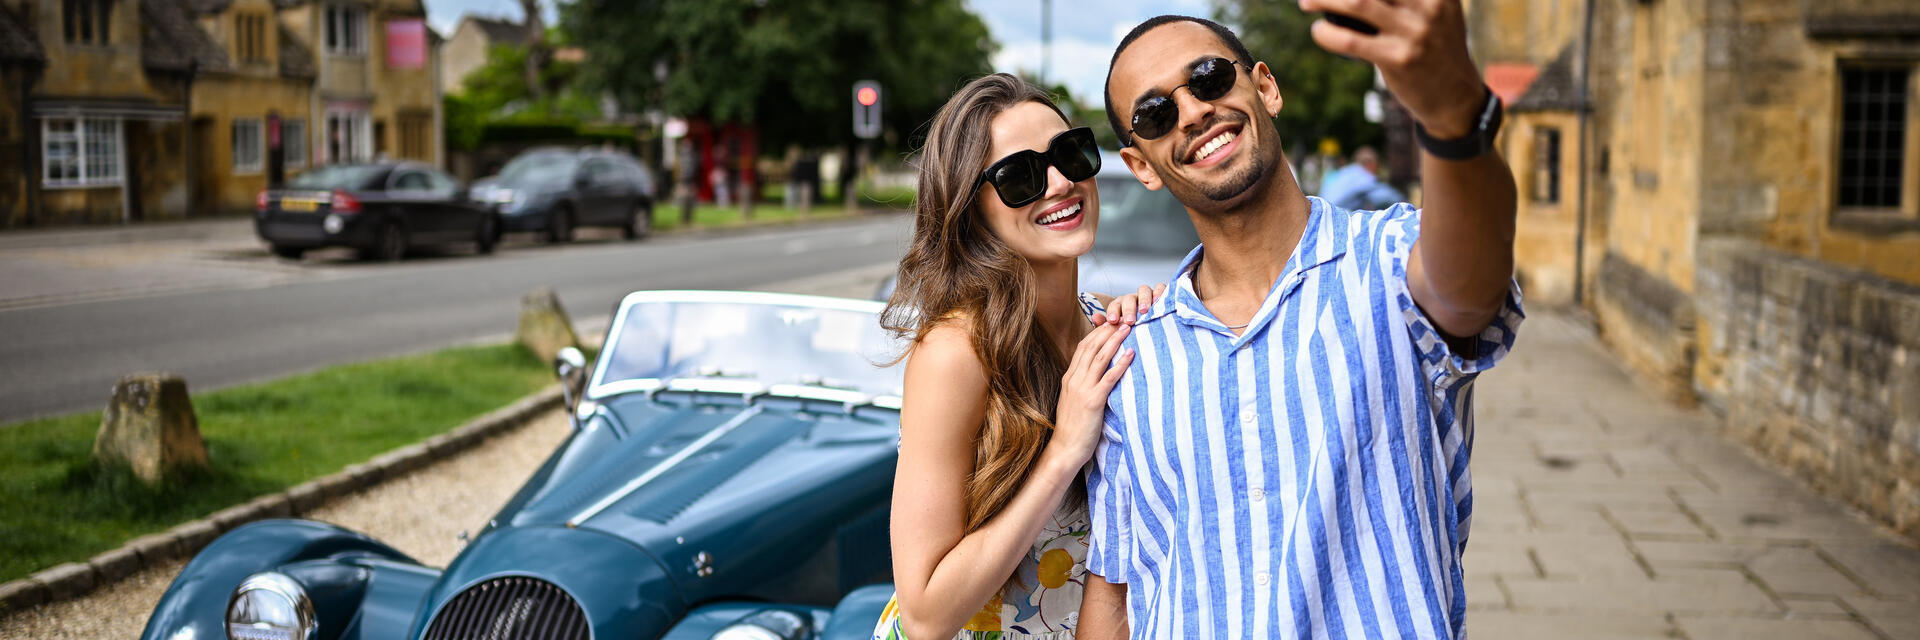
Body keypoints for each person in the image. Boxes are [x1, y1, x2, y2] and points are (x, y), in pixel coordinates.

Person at [1079, 9, 1524, 640]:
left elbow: (1469, 289)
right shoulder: (1134, 355)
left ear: (1265, 88)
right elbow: (1118, 590)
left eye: (1208, 78)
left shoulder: (1391, 260)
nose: (1193, 112)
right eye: (1155, 114)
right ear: (1142, 163)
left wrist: (1454, 117)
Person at [873, 73, 1161, 640]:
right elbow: (927, 613)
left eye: (1069, 154)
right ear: (970, 208)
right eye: (1019, 176)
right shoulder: (957, 352)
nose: (1058, 183)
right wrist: (1064, 452)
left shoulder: (1107, 322)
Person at [1320, 146, 1406, 211]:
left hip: (1324, 214)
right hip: (1337, 217)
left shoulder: (1342, 173)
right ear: (1371, 164)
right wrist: (1405, 201)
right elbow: (1385, 196)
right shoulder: (1362, 175)